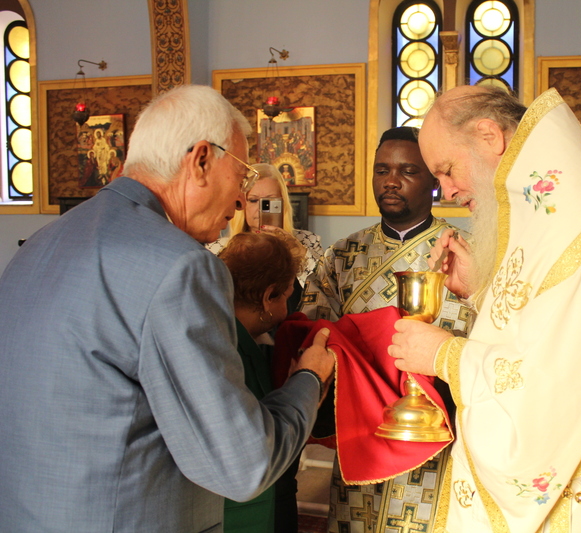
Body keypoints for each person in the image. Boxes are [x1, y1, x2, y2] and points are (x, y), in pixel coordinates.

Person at [0, 84, 335, 532]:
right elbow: (244, 464)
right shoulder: (180, 266)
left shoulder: (41, 243)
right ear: (201, 161)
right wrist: (308, 380)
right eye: (241, 178)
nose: (241, 201)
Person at [389, 86, 581, 532]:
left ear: (489, 136)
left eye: (447, 170)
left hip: (577, 492)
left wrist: (445, 355)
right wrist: (483, 290)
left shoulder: (574, 226)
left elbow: (558, 386)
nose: (447, 190)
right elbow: (551, 326)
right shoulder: (558, 208)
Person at [299, 126, 474, 533]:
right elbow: (315, 331)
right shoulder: (342, 255)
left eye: (408, 171)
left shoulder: (463, 252)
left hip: (437, 431)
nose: (391, 181)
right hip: (361, 429)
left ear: (433, 181)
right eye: (382, 170)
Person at [218, 231, 308, 533]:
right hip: (242, 508)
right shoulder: (232, 349)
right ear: (269, 296)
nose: (286, 310)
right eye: (286, 296)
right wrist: (307, 381)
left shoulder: (228, 331)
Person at [207, 163, 322, 291]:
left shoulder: (309, 241)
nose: (261, 209)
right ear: (242, 203)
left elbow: (326, 290)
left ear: (283, 203)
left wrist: (298, 252)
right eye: (253, 200)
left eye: (269, 202)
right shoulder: (217, 249)